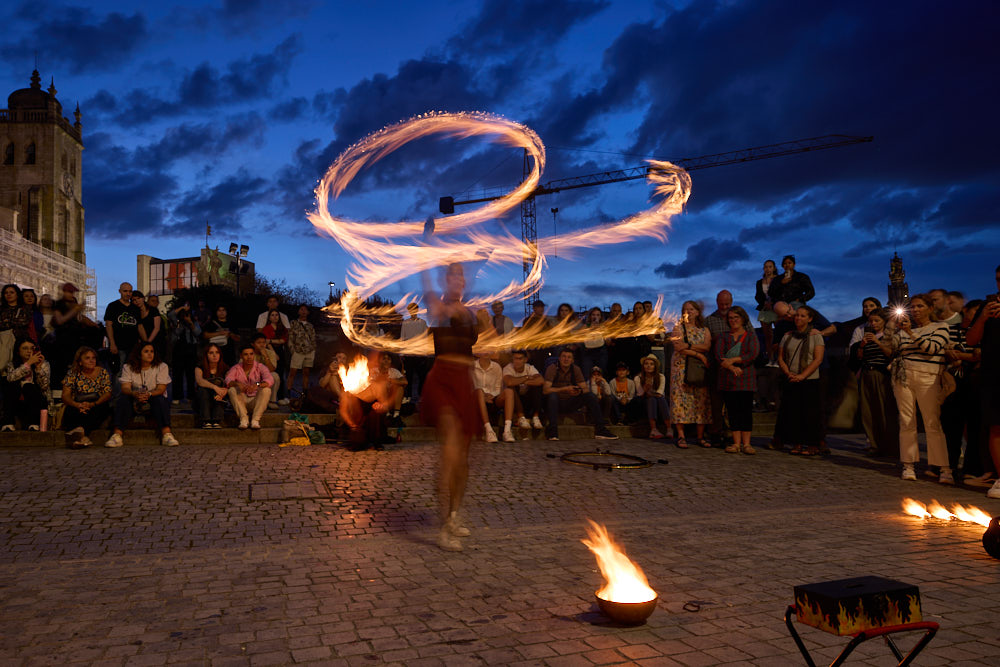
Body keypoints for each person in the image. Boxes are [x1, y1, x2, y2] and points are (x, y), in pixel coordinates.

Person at [420, 261, 479, 551]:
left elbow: (486, 344)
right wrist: (425, 248)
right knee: (451, 450)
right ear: (445, 280)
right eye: (452, 273)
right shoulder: (437, 305)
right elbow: (425, 282)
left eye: (461, 274)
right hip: (443, 380)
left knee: (463, 459)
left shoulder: (472, 312)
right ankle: (444, 526)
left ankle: (454, 515)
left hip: (464, 382)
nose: (457, 277)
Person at [889, 294, 951, 482]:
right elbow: (891, 349)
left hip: (928, 377)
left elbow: (931, 349)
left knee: (932, 422)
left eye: (920, 306)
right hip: (904, 377)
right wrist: (892, 327)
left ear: (930, 308)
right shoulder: (903, 331)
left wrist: (910, 333)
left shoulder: (940, 327)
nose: (915, 310)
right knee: (907, 421)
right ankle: (908, 466)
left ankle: (944, 469)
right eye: (913, 307)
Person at [966, 268, 1000, 499]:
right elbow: (971, 339)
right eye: (998, 280)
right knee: (996, 428)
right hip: (993, 375)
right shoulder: (987, 307)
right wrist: (983, 317)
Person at [105, 342, 178, 448]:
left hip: (153, 397)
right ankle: (116, 435)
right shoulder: (128, 367)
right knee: (123, 399)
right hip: (135, 397)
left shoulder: (162, 366)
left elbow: (161, 388)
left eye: (152, 351)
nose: (150, 354)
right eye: (146, 351)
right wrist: (134, 393)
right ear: (139, 354)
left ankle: (167, 434)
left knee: (160, 399)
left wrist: (148, 394)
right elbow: (125, 388)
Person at [776, 306, 826, 456]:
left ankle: (812, 444)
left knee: (810, 413)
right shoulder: (788, 336)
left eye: (803, 316)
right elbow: (781, 357)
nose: (798, 318)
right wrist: (788, 373)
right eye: (797, 315)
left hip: (809, 379)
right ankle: (796, 443)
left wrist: (803, 375)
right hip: (791, 377)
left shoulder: (815, 336)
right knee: (794, 413)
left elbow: (818, 359)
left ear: (809, 318)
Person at [544, 348, 618, 441]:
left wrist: (578, 391)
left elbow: (585, 389)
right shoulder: (552, 368)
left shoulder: (575, 369)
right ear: (559, 358)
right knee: (552, 396)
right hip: (556, 403)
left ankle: (601, 430)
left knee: (590, 396)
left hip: (571, 401)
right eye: (563, 356)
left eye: (569, 357)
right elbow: (545, 390)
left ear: (572, 360)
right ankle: (552, 432)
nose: (566, 359)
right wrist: (565, 389)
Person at [853, 308, 899, 458]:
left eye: (876, 321)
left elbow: (890, 354)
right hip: (867, 373)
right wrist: (862, 345)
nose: (873, 323)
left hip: (882, 374)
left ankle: (889, 446)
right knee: (868, 411)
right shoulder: (867, 337)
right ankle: (874, 444)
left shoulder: (889, 336)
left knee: (884, 409)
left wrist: (877, 343)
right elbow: (860, 357)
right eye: (871, 321)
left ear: (884, 321)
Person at [715, 306, 760, 454]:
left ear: (743, 319)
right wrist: (732, 367)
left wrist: (734, 360)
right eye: (731, 318)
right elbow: (719, 355)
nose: (733, 320)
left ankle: (747, 444)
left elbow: (752, 354)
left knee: (745, 411)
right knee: (732, 411)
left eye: (736, 317)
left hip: (746, 379)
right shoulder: (723, 337)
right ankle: (736, 443)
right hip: (728, 380)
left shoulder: (750, 336)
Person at [670, 300, 712, 447]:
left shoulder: (704, 330)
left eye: (692, 309)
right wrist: (698, 354)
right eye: (685, 310)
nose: (689, 312)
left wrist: (689, 347)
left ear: (698, 312)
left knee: (700, 400)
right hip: (681, 368)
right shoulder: (678, 328)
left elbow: (706, 346)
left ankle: (700, 436)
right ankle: (681, 436)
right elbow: (678, 347)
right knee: (680, 400)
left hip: (698, 369)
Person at [61, 346, 112, 448]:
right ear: (80, 362)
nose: (91, 361)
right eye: (87, 358)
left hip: (97, 403)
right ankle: (82, 438)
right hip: (79, 403)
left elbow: (107, 393)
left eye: (93, 358)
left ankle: (80, 436)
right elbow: (65, 395)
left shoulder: (102, 372)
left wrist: (92, 404)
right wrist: (77, 405)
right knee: (71, 410)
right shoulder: (73, 373)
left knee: (99, 410)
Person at [51, 283, 101, 386]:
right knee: (63, 366)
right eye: (69, 292)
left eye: (72, 292)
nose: (71, 294)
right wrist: (75, 310)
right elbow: (60, 320)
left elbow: (80, 318)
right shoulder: (59, 304)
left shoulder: (74, 303)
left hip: (75, 340)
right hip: (63, 341)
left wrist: (94, 325)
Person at [703, 290, 734, 443]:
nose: (724, 306)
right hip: (716, 365)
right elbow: (706, 343)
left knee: (732, 402)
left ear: (732, 302)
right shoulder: (709, 320)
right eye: (721, 304)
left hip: (734, 365)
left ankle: (731, 431)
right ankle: (716, 431)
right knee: (716, 402)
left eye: (727, 304)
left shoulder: (737, 317)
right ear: (717, 302)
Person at [2, 337, 50, 431]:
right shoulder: (11, 365)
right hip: (16, 401)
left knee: (28, 386)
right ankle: (8, 423)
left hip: (36, 401)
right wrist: (28, 363)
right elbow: (10, 378)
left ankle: (34, 423)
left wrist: (38, 368)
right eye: (25, 348)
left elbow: (44, 387)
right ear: (18, 351)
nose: (29, 351)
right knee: (13, 385)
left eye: (32, 348)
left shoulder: (44, 364)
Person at [225, 343, 274, 430]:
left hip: (256, 400)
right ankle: (243, 419)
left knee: (266, 390)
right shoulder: (236, 368)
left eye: (251, 354)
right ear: (241, 356)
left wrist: (257, 385)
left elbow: (269, 379)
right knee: (232, 390)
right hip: (242, 400)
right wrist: (237, 384)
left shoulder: (260, 367)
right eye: (246, 354)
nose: (249, 357)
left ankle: (255, 420)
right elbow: (228, 380)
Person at [501, 350, 544, 434]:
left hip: (528, 399)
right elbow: (509, 382)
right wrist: (527, 377)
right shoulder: (508, 368)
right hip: (514, 400)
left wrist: (521, 381)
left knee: (537, 387)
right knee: (511, 387)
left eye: (520, 359)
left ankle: (536, 416)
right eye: (515, 359)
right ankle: (521, 417)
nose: (517, 361)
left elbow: (541, 380)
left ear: (525, 360)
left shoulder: (529, 367)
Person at [103, 282, 141, 376]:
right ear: (120, 291)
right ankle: (117, 391)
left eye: (130, 291)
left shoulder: (135, 308)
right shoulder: (113, 306)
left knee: (133, 372)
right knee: (118, 372)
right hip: (119, 346)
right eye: (125, 291)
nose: (128, 293)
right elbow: (108, 325)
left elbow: (139, 327)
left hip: (133, 346)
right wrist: (112, 344)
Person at [168, 301, 201, 405]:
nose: (185, 316)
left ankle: (190, 396)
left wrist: (190, 323)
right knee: (177, 374)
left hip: (191, 350)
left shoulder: (194, 322)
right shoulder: (177, 321)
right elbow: (170, 314)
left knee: (191, 375)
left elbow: (198, 333)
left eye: (187, 313)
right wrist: (182, 307)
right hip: (178, 350)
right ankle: (177, 396)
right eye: (184, 314)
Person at [633, 353, 670, 439]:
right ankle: (654, 429)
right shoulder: (638, 378)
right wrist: (646, 388)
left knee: (656, 399)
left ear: (655, 366)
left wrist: (651, 392)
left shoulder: (661, 377)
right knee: (651, 399)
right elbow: (640, 394)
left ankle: (669, 428)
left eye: (651, 364)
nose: (648, 366)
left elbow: (660, 393)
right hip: (643, 401)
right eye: (646, 364)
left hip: (658, 400)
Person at [194, 343, 229, 428]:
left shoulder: (225, 368)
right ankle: (206, 420)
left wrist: (224, 391)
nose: (214, 355)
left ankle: (217, 420)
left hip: (218, 398)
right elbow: (199, 381)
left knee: (221, 389)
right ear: (206, 355)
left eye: (217, 352)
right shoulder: (199, 367)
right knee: (204, 389)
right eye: (211, 353)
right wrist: (215, 387)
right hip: (203, 400)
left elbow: (229, 383)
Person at [399, 302, 429, 402]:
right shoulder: (405, 323)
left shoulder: (423, 323)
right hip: (409, 354)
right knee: (409, 377)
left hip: (420, 354)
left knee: (422, 376)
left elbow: (425, 339)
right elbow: (402, 338)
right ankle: (408, 397)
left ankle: (421, 396)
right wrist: (402, 353)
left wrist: (425, 353)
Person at [473, 353, 505, 442]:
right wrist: (483, 396)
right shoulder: (472, 366)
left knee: (509, 392)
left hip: (492, 399)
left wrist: (491, 395)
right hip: (477, 400)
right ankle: (489, 430)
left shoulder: (496, 367)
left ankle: (507, 430)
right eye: (483, 349)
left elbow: (498, 387)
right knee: (479, 391)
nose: (486, 352)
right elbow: (471, 386)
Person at [261, 309, 290, 406]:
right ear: (269, 317)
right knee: (272, 374)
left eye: (276, 315)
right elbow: (266, 342)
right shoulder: (266, 328)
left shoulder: (282, 328)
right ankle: (269, 398)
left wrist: (271, 341)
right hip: (270, 351)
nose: (274, 317)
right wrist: (273, 353)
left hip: (281, 351)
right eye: (272, 315)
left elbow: (283, 340)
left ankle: (281, 397)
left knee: (281, 374)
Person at [287, 305, 316, 396]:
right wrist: (292, 350)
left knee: (306, 372)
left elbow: (313, 338)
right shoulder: (293, 323)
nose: (303, 311)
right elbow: (290, 337)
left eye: (305, 310)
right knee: (293, 372)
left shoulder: (310, 325)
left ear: (308, 312)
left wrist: (313, 350)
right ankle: (288, 393)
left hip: (309, 351)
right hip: (298, 350)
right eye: (301, 309)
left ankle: (305, 393)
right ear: (298, 311)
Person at [1, 284, 30, 372]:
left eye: (11, 292)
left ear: (17, 294)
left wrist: (6, 322)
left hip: (18, 343)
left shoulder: (24, 309)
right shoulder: (1, 309)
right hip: (3, 341)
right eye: (6, 293)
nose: (8, 294)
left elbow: (22, 322)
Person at [251, 333, 281, 410]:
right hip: (254, 381)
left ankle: (271, 401)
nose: (262, 345)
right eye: (259, 343)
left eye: (263, 342)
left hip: (265, 380)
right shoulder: (249, 353)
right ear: (253, 344)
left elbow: (271, 369)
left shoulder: (270, 353)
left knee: (275, 376)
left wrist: (265, 356)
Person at [755, 259, 779, 354]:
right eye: (766, 267)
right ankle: (770, 358)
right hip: (764, 309)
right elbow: (757, 295)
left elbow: (781, 294)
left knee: (778, 334)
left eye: (770, 267)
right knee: (767, 336)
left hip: (776, 308)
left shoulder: (779, 279)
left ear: (774, 268)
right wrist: (764, 303)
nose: (768, 269)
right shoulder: (759, 282)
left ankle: (779, 358)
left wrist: (773, 303)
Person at [580, 307, 609, 378]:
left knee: (601, 375)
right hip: (588, 353)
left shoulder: (603, 327)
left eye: (598, 315)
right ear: (590, 316)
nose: (595, 317)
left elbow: (608, 342)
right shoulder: (585, 326)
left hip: (601, 353)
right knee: (587, 374)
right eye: (593, 314)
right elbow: (580, 339)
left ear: (600, 317)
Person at [132, 290, 163, 357]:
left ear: (143, 298)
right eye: (134, 300)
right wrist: (145, 343)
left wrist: (148, 342)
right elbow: (139, 328)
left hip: (157, 340)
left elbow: (157, 328)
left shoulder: (153, 310)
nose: (137, 301)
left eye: (138, 298)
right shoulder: (136, 313)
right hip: (144, 342)